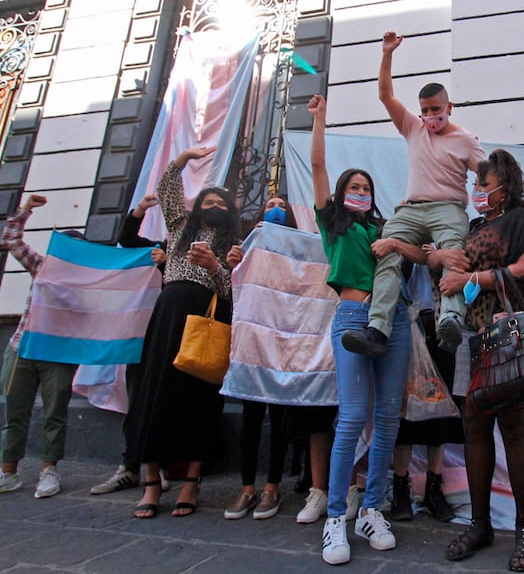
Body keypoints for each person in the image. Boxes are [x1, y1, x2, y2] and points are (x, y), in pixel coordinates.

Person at [309, 94, 422, 565]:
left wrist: (398, 241)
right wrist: (318, 119)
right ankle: (337, 518)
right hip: (353, 320)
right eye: (353, 185)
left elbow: (420, 258)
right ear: (340, 192)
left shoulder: (383, 229)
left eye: (366, 186)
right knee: (353, 417)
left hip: (393, 324)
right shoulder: (333, 223)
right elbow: (316, 164)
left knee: (388, 420)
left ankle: (372, 509)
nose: (360, 190)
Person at [431, 149, 524, 572]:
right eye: (476, 185)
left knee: (514, 426)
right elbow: (457, 267)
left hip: (505, 333)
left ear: (503, 189)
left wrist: (467, 277)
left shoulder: (519, 220)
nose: (477, 191)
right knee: (474, 425)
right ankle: (480, 524)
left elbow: (521, 268)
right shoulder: (474, 226)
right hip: (472, 334)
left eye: (483, 185)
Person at [341, 31, 486, 359]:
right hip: (411, 209)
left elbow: (489, 176)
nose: (429, 116)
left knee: (452, 251)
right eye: (425, 110)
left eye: (436, 109)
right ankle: (377, 330)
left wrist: (489, 201)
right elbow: (385, 95)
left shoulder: (466, 139)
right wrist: (387, 53)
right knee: (386, 250)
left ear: (449, 107)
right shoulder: (414, 128)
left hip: (448, 208)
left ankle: (450, 319)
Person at [128, 146, 240, 518]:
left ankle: (192, 481)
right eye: (208, 200)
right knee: (154, 392)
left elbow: (232, 291)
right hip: (168, 315)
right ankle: (150, 482)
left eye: (221, 203)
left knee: (199, 398)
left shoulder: (233, 245)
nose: (214, 206)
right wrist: (183, 158)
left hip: (208, 318)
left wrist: (214, 266)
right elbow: (166, 187)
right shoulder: (178, 226)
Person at [222, 195, 338, 522]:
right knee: (251, 416)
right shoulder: (250, 243)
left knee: (278, 420)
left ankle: (272, 486)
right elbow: (237, 285)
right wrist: (235, 262)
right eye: (271, 203)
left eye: (283, 205)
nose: (276, 208)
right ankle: (247, 487)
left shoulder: (303, 245)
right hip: (258, 343)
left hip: (287, 345)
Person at [0, 194, 83, 498]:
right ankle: (8, 472)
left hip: (58, 353)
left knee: (54, 413)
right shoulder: (42, 267)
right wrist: (25, 211)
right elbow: (11, 240)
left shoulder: (90, 283)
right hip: (22, 346)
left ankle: (49, 470)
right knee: (14, 411)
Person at [90, 194, 168, 496]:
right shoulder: (157, 248)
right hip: (142, 335)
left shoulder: (197, 252)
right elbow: (126, 238)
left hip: (173, 337)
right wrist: (139, 210)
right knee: (138, 404)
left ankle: (157, 467)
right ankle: (132, 467)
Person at [390, 262, 462, 523]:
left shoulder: (446, 231)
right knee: (405, 407)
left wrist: (439, 256)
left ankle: (434, 486)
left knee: (440, 407)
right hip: (405, 321)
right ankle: (400, 486)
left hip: (441, 322)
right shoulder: (399, 230)